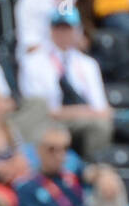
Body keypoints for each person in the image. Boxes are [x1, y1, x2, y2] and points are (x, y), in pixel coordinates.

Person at [13, 125, 129, 206]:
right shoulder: (28, 188)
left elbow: (93, 173)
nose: (59, 155)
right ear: (38, 150)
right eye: (52, 149)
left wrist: (105, 174)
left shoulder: (72, 170)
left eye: (64, 148)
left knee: (110, 183)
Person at [18, 9, 113, 165]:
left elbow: (101, 108)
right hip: (47, 121)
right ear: (50, 30)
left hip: (83, 120)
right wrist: (82, 112)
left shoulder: (88, 64)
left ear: (77, 31)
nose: (63, 33)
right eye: (58, 28)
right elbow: (40, 108)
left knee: (101, 126)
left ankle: (95, 172)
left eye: (68, 28)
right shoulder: (33, 61)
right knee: (41, 124)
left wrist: (87, 113)